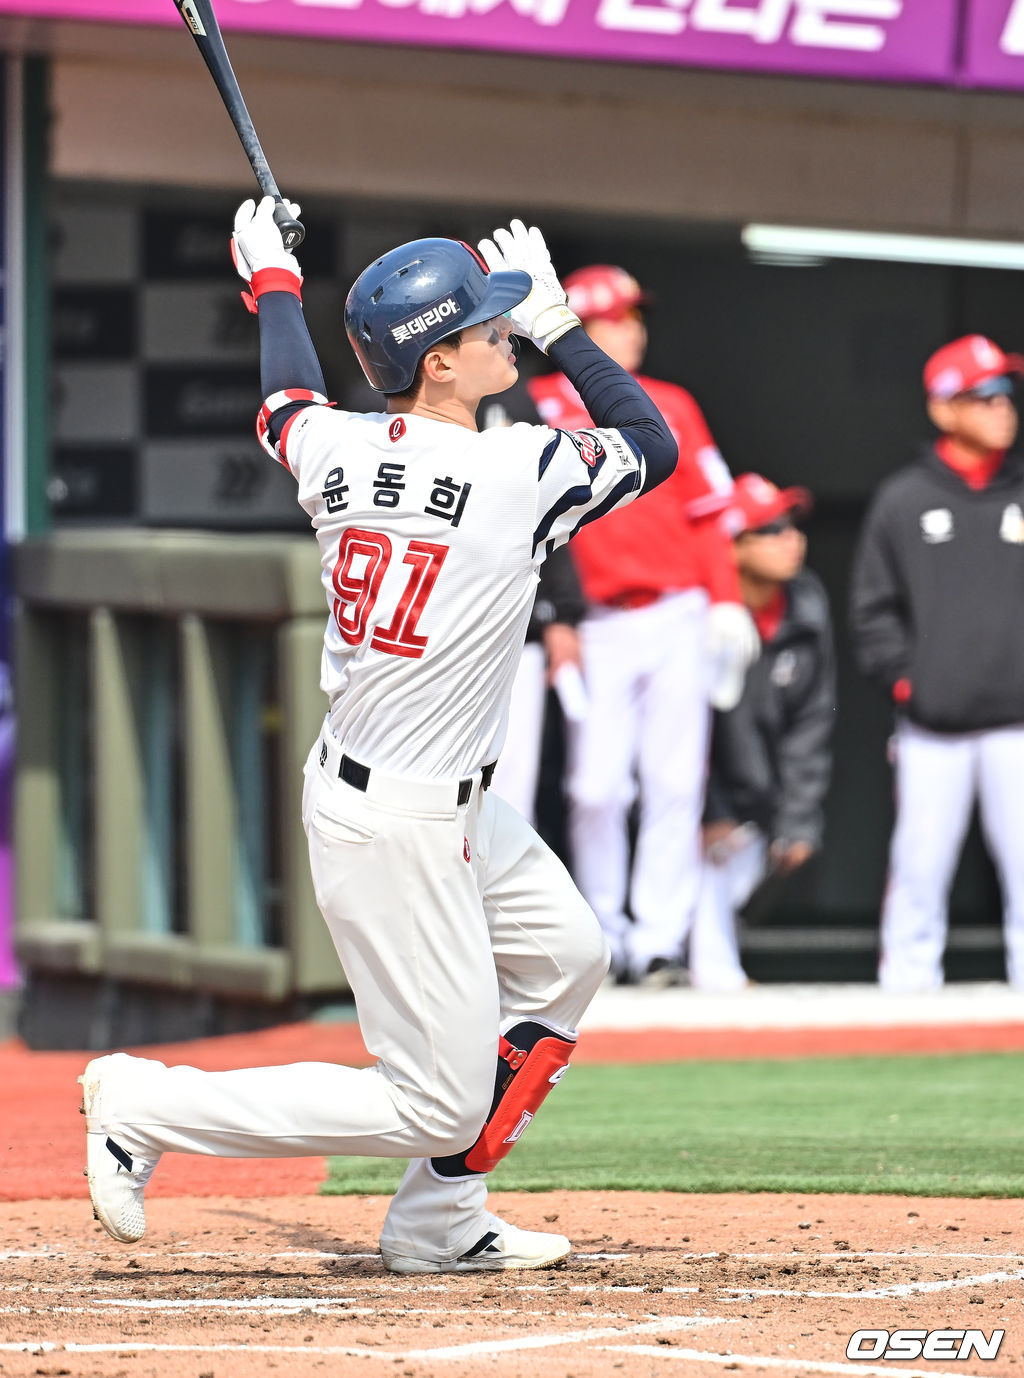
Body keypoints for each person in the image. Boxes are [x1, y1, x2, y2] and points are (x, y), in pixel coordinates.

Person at [78, 206, 678, 1272]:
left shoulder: (338, 449)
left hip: (441, 798)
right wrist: (560, 325)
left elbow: (284, 399)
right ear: (438, 362)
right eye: (489, 328)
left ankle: (439, 1221)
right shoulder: (517, 472)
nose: (506, 334)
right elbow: (651, 442)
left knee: (567, 960)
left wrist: (271, 280)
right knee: (435, 1103)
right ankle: (146, 1104)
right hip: (395, 821)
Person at [528, 265, 759, 983]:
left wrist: (726, 599)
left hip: (677, 611)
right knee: (594, 788)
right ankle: (604, 935)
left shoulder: (672, 402)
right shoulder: (539, 404)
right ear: (579, 328)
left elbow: (712, 512)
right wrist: (555, 618)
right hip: (596, 620)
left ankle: (659, 941)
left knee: (675, 781)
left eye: (635, 318)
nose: (634, 330)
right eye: (618, 318)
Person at [850, 334, 1024, 993]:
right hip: (932, 725)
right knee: (920, 867)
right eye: (985, 396)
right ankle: (908, 1001)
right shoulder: (903, 499)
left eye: (1006, 394)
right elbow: (872, 611)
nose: (1003, 408)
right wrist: (907, 682)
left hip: (1019, 723)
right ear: (943, 409)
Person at [688, 474, 835, 992]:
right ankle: (699, 972)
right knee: (706, 857)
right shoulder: (696, 610)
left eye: (792, 526)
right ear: (732, 547)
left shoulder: (806, 602)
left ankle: (713, 965)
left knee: (758, 864)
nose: (791, 540)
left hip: (761, 800)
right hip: (691, 801)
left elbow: (812, 723)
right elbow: (684, 733)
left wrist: (798, 819)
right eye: (770, 530)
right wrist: (710, 811)